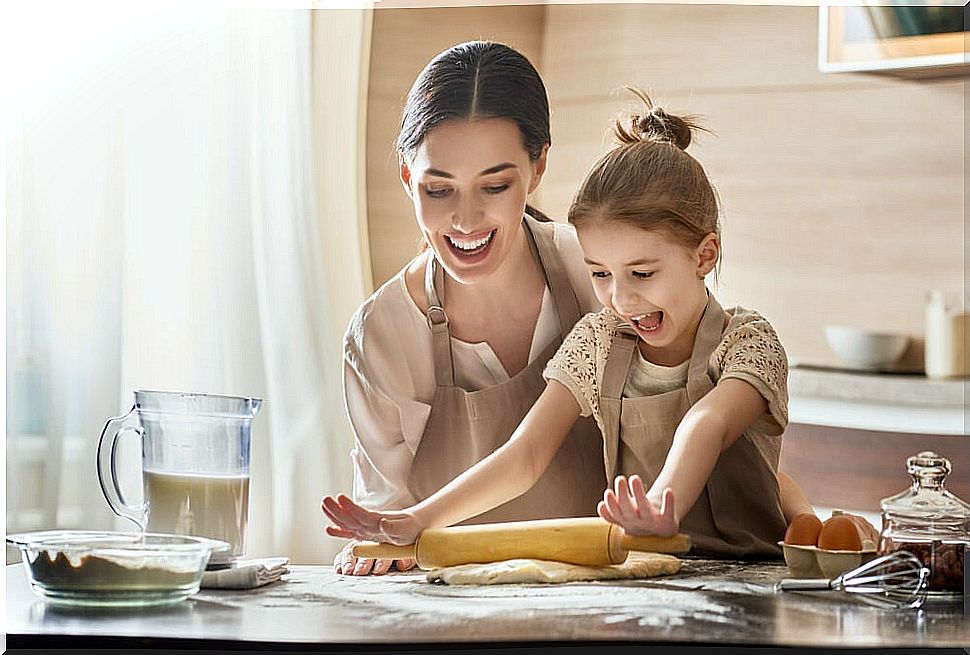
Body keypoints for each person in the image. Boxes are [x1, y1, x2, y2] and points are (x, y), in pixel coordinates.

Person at [324, 89, 816, 558]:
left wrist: (660, 506)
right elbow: (525, 454)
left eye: (642, 273)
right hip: (642, 575)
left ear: (704, 255)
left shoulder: (749, 341)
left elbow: (706, 424)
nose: (620, 299)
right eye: (599, 273)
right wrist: (418, 519)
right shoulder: (599, 339)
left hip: (754, 579)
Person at [331, 41, 609, 575]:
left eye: (495, 186)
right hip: (453, 609)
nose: (465, 220)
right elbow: (387, 522)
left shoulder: (596, 272)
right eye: (439, 190)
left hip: (613, 601)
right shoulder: (383, 334)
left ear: (538, 166)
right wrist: (373, 548)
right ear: (409, 180)